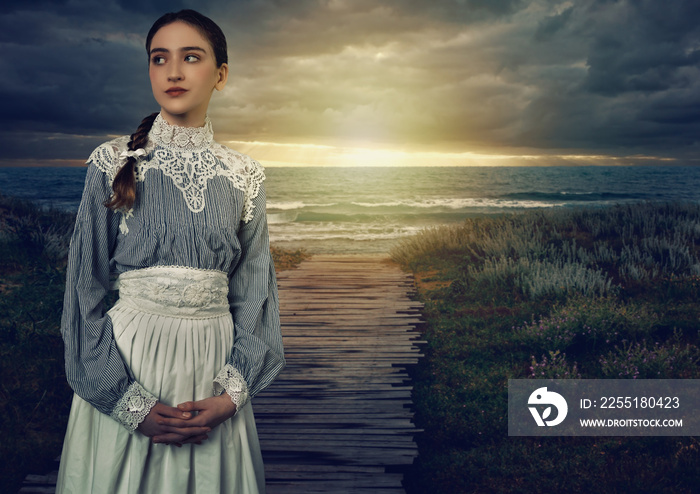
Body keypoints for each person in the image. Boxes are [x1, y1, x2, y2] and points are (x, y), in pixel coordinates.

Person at [56, 9, 284, 493]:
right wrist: (126, 402)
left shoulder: (245, 175)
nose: (173, 71)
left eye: (191, 57)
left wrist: (230, 395)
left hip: (212, 365)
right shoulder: (112, 161)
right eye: (160, 59)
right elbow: (85, 288)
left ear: (220, 75)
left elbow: (254, 294)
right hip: (131, 357)